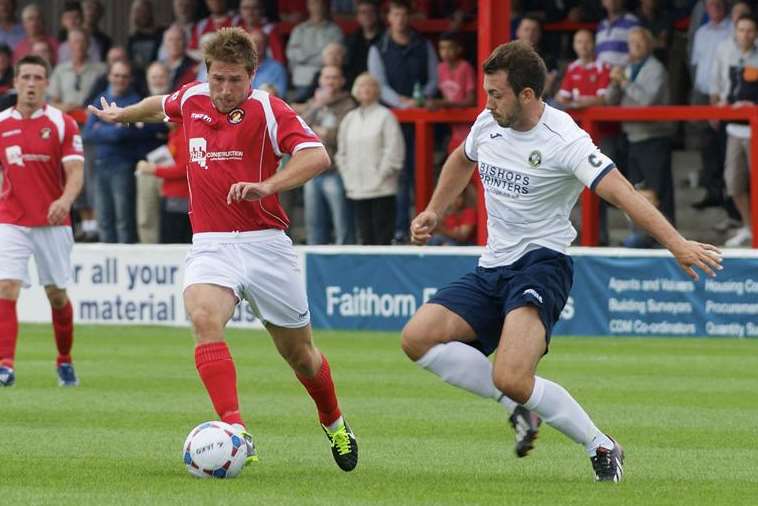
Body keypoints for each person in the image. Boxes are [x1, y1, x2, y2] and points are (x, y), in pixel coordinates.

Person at [402, 41, 722, 482]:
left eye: (496, 94)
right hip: (492, 265)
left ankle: (601, 444)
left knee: (512, 375)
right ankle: (517, 407)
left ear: (528, 95)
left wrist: (676, 243)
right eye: (486, 92)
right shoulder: (488, 121)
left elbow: (623, 192)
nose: (488, 102)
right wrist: (435, 210)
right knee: (417, 339)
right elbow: (461, 160)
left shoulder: (564, 139)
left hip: (541, 264)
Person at [88, 27, 358, 471]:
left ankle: (335, 423)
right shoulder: (193, 97)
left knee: (300, 356)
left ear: (252, 76)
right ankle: (236, 431)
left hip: (265, 245)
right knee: (202, 315)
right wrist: (126, 114)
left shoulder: (270, 109)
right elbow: (163, 105)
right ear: (207, 74)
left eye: (235, 80)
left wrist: (267, 185)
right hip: (212, 243)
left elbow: (317, 156)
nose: (225, 90)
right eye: (218, 79)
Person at [0, 54, 85, 387]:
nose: (31, 84)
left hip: (53, 222)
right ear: (16, 82)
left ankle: (64, 360)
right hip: (11, 219)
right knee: (6, 286)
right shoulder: (2, 123)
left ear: (46, 83)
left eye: (38, 78)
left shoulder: (63, 123)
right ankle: (5, 364)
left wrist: (64, 201)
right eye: (26, 77)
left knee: (57, 296)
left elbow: (76, 171)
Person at [336, 72, 404, 245]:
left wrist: (381, 175)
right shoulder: (350, 118)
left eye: (369, 85)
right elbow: (341, 152)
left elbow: (394, 150)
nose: (364, 89)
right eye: (360, 85)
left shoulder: (386, 116)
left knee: (382, 238)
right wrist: (348, 176)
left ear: (377, 90)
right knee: (364, 237)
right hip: (356, 187)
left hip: (382, 188)